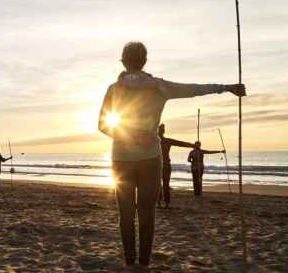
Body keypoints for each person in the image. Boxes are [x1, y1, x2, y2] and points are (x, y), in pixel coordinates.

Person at [98, 41, 246, 267]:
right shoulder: (159, 87)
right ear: (145, 61)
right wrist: (226, 87)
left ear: (123, 62)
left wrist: (130, 136)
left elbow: (103, 125)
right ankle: (144, 263)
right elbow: (194, 89)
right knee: (146, 213)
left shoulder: (114, 89)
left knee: (126, 214)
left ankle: (130, 263)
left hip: (121, 158)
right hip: (149, 159)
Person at [158, 124, 195, 209]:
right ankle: (163, 203)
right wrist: (192, 145)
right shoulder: (160, 141)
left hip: (162, 165)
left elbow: (180, 143)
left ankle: (161, 203)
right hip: (162, 165)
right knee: (163, 184)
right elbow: (180, 143)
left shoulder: (158, 140)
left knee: (161, 185)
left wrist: (192, 145)